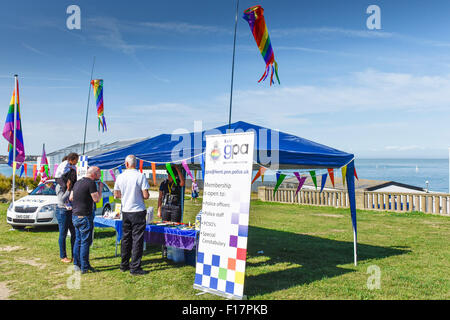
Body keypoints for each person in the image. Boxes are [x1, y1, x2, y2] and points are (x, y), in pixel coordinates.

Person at [114, 155, 150, 275]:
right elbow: (146, 195)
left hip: (126, 210)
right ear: (136, 163)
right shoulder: (140, 176)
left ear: (126, 164)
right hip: (138, 210)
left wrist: (125, 194)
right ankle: (135, 267)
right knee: (137, 239)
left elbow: (117, 194)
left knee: (126, 238)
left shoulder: (120, 177)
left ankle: (124, 264)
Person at [70, 166, 103, 274]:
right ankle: (84, 266)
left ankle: (76, 264)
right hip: (84, 215)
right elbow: (96, 199)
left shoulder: (78, 182)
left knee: (78, 240)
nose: (100, 176)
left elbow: (71, 198)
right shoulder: (91, 183)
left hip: (75, 215)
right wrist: (100, 189)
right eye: (99, 174)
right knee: (85, 241)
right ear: (93, 174)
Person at [55, 155, 77, 263]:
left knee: (74, 233)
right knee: (63, 234)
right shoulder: (59, 186)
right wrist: (68, 190)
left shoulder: (71, 184)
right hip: (62, 211)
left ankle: (74, 254)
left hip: (71, 211)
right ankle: (63, 256)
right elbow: (61, 200)